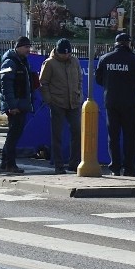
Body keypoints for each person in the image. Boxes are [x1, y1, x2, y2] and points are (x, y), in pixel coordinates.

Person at [95, 32, 135, 176]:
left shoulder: (105, 59)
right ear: (129, 44)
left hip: (111, 102)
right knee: (129, 136)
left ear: (115, 44)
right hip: (129, 103)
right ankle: (129, 168)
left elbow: (99, 79)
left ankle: (115, 168)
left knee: (113, 136)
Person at [40, 38, 83, 174]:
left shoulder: (75, 61)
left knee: (77, 132)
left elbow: (80, 79)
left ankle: (74, 162)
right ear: (57, 52)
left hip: (74, 103)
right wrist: (49, 100)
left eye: (68, 53)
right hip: (57, 103)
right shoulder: (50, 63)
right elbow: (43, 83)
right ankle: (58, 165)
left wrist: (79, 94)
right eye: (64, 54)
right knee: (57, 135)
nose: (66, 56)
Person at [0, 36, 35, 174]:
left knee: (14, 134)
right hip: (15, 106)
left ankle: (4, 161)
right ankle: (10, 164)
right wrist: (12, 105)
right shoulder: (11, 62)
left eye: (29, 47)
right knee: (13, 135)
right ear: (18, 47)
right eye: (26, 47)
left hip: (20, 104)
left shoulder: (23, 61)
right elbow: (5, 85)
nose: (28, 50)